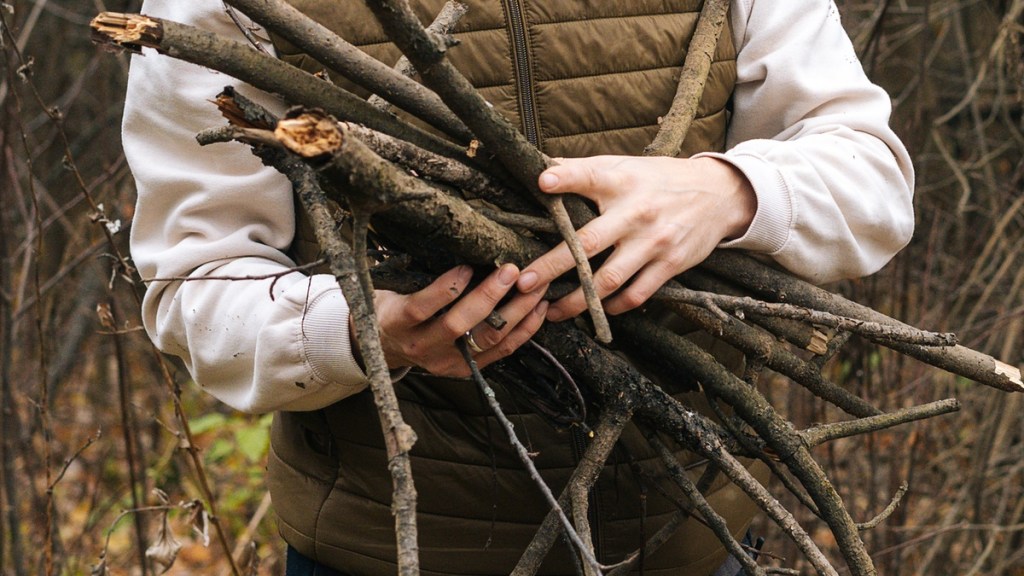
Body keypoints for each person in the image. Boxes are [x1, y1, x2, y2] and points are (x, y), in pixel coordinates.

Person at [122, 1, 915, 574]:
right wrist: (358, 330)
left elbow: (870, 181)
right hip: (381, 552)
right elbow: (195, 283)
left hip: (692, 542)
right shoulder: (219, 8)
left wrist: (730, 191)